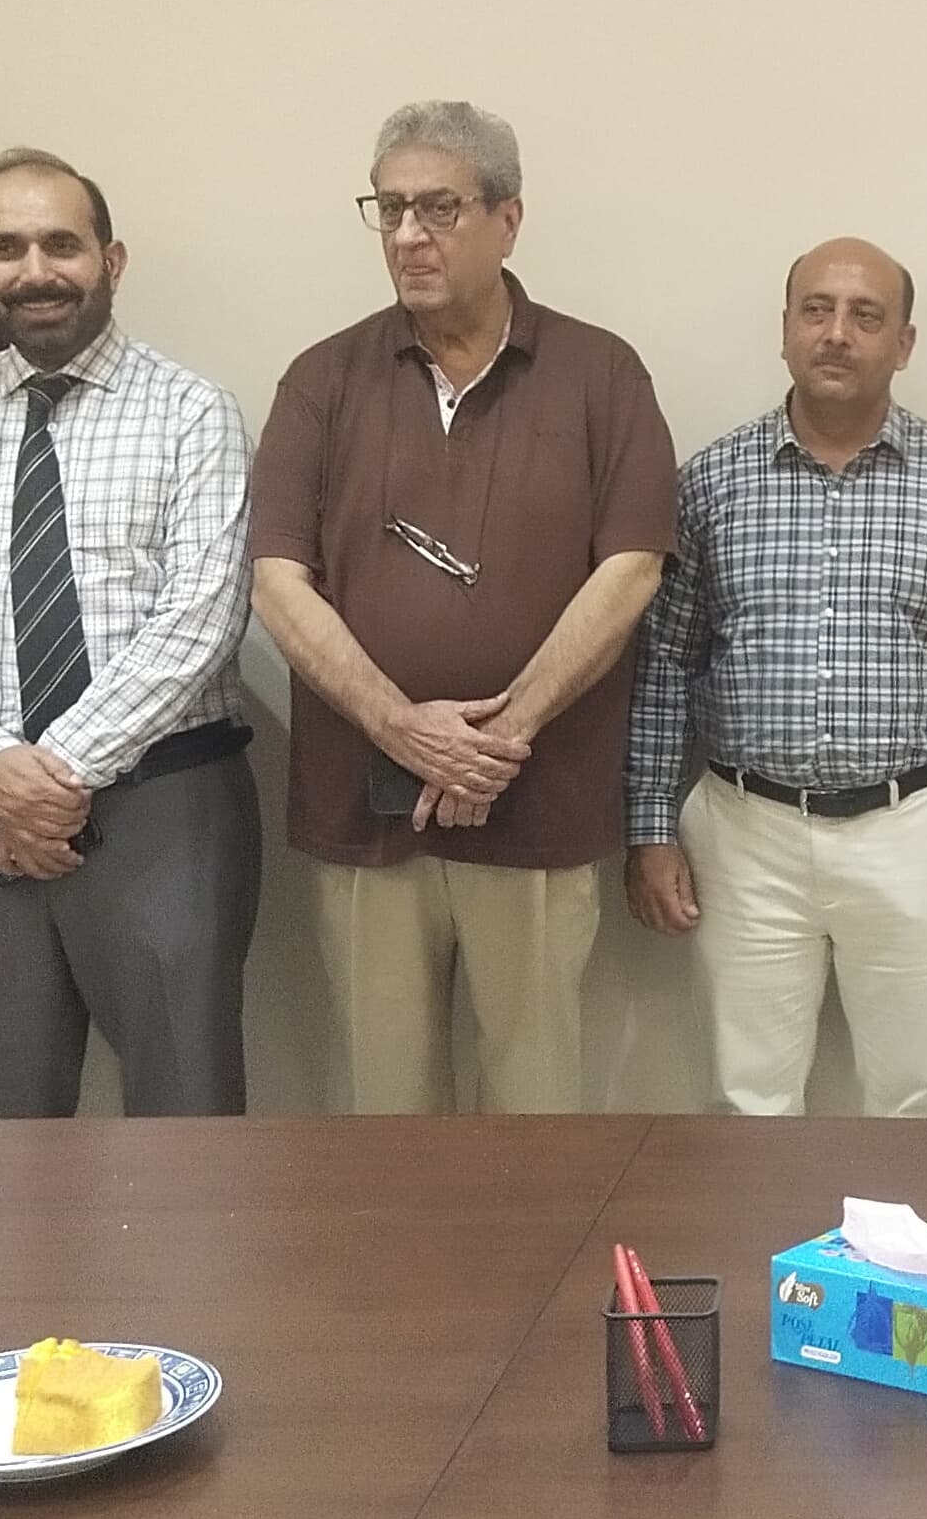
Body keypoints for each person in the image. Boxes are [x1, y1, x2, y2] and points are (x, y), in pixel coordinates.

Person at [250, 100, 677, 1114]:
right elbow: (276, 581)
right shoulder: (322, 379)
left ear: (508, 218)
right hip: (367, 810)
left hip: (537, 804)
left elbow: (630, 569)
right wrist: (403, 729)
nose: (408, 234)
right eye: (389, 208)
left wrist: (501, 733)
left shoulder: (600, 374)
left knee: (534, 1111)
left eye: (438, 207)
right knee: (387, 1112)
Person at [0, 151, 258, 1118]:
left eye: (61, 244)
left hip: (163, 803)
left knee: (185, 1115)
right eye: (7, 248)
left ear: (111, 260)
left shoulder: (192, 413)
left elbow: (202, 615)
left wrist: (51, 784)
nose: (35, 270)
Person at [623, 239, 927, 1117]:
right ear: (784, 328)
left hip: (913, 829)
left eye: (866, 316)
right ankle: (761, 1220)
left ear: (904, 342)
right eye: (815, 310)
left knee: (916, 1097)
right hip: (745, 832)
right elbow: (665, 665)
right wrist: (650, 828)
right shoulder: (711, 482)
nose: (837, 334)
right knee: (748, 1100)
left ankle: (905, 1223)